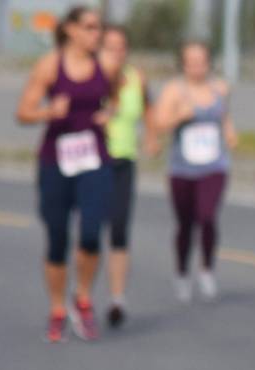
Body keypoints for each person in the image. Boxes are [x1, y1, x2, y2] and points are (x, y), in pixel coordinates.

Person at [16, 5, 120, 343]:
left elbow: (116, 96)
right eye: (90, 27)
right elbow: (23, 112)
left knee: (91, 233)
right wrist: (49, 111)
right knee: (57, 238)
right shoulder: (50, 65)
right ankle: (58, 308)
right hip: (55, 161)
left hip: (95, 160)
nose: (97, 34)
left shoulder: (106, 64)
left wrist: (109, 112)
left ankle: (84, 298)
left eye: (99, 28)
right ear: (71, 30)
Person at [154, 41, 237, 302]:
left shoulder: (220, 88)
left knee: (207, 215)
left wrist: (229, 131)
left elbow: (223, 116)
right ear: (183, 63)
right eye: (191, 61)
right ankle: (181, 272)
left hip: (214, 165)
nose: (196, 66)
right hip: (182, 168)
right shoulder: (173, 90)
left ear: (208, 61)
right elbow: (159, 124)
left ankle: (206, 269)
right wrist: (179, 116)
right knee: (185, 223)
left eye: (201, 61)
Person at [101, 23, 159, 327]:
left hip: (124, 159)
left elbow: (148, 109)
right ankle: (81, 293)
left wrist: (151, 135)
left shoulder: (137, 78)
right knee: (89, 232)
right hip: (93, 161)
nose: (116, 53)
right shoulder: (92, 78)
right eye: (110, 47)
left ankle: (117, 299)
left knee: (119, 228)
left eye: (121, 47)